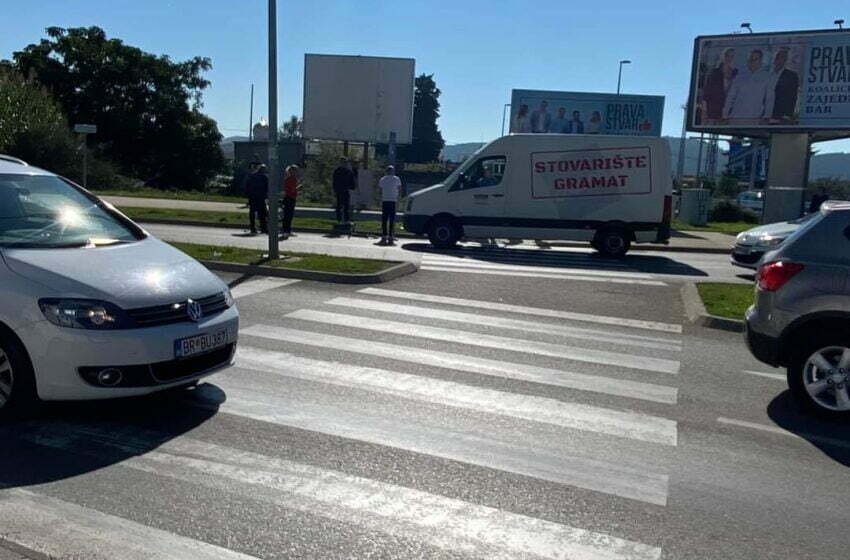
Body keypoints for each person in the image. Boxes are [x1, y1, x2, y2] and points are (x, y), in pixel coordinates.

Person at [723, 48, 771, 123]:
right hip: (735, 118)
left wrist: (766, 117)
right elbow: (730, 97)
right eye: (751, 59)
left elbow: (769, 99)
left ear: (761, 61)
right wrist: (725, 115)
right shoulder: (739, 77)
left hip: (754, 119)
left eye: (755, 59)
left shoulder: (767, 78)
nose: (752, 62)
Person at [701, 47, 738, 123]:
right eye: (727, 56)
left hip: (730, 113)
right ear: (723, 57)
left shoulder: (736, 73)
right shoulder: (714, 73)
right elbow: (706, 94)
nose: (729, 59)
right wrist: (704, 112)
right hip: (713, 112)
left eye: (732, 56)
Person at [765, 48, 800, 122]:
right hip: (762, 114)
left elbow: (793, 97)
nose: (780, 59)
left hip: (779, 116)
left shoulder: (791, 76)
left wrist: (787, 115)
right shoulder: (765, 74)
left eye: (784, 57)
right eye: (778, 56)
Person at [378, 165, 402, 245]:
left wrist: (380, 198)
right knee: (392, 219)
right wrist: (399, 198)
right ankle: (391, 237)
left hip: (385, 200)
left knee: (384, 219)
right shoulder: (397, 179)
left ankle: (384, 236)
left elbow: (380, 190)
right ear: (393, 171)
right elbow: (399, 189)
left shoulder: (382, 179)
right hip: (393, 200)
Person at [245, 160, 268, 235]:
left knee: (252, 213)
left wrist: (248, 196)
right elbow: (267, 187)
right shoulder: (264, 177)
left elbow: (247, 187)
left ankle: (253, 228)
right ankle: (263, 228)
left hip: (253, 197)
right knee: (262, 213)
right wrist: (267, 195)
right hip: (260, 197)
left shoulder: (252, 176)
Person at [332, 157, 355, 223]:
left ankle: (346, 219)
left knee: (346, 206)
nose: (344, 164)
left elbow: (351, 181)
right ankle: (339, 219)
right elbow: (334, 181)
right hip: (339, 190)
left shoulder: (348, 172)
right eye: (342, 162)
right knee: (339, 206)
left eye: (345, 162)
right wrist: (334, 189)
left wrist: (352, 187)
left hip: (345, 190)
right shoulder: (337, 171)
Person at [280, 164, 300, 238]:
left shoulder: (292, 179)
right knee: (287, 216)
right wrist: (298, 188)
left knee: (290, 216)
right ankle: (285, 231)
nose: (297, 172)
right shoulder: (290, 179)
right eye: (295, 170)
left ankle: (288, 230)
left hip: (291, 198)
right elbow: (292, 190)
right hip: (289, 198)